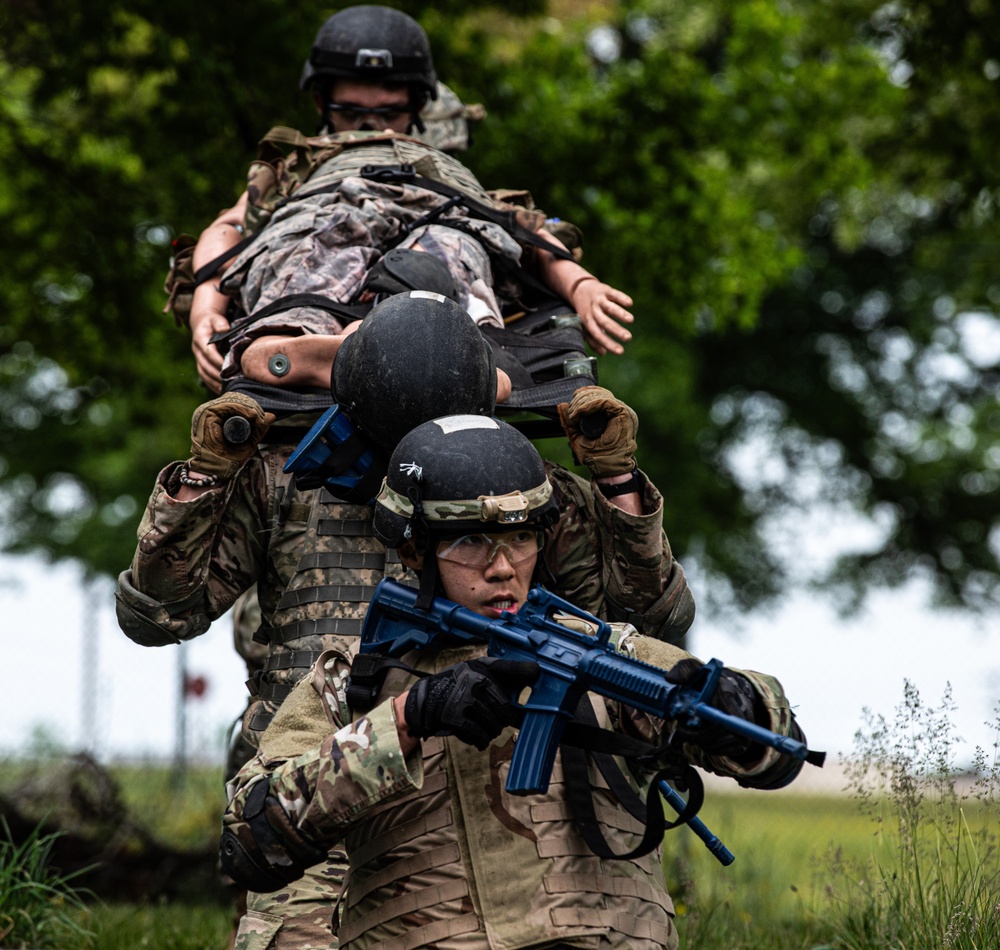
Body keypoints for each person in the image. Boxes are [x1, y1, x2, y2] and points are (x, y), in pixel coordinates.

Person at [117, 293, 692, 949]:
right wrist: (202, 481)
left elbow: (654, 619)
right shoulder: (283, 486)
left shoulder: (522, 495)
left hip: (480, 801)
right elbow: (159, 614)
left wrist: (618, 482)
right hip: (315, 784)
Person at [219, 415, 808, 950]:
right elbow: (249, 839)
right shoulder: (353, 682)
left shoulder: (603, 648)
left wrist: (741, 705)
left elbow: (773, 750)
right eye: (470, 540)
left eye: (521, 538)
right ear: (415, 550)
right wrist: (406, 719)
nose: (502, 567)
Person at [186, 4, 635, 395]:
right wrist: (206, 305)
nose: (369, 125)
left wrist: (582, 285)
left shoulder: (448, 175)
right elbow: (230, 228)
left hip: (435, 218)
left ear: (417, 107)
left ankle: (385, 344)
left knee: (451, 242)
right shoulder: (295, 170)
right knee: (312, 243)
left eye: (387, 113)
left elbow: (525, 232)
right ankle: (290, 344)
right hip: (323, 212)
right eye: (351, 111)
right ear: (323, 103)